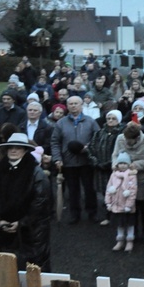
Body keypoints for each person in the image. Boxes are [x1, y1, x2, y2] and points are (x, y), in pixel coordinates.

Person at [0, 133, 51, 270]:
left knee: (33, 269)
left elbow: (40, 203)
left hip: (31, 231)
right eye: (10, 147)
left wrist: (22, 222)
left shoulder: (36, 173)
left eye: (18, 147)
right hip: (1, 230)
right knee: (2, 268)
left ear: (25, 150)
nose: (13, 150)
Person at [51, 96, 100, 224]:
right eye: (71, 104)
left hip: (86, 161)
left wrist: (87, 148)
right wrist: (57, 158)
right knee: (73, 190)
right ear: (67, 106)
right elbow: (55, 142)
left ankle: (92, 212)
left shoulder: (90, 122)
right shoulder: (60, 123)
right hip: (68, 162)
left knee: (89, 188)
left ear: (81, 105)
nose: (73, 106)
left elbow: (98, 139)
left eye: (76, 103)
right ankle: (75, 214)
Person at [112, 122, 144, 244]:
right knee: (128, 207)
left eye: (130, 140)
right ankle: (132, 231)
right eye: (126, 139)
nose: (127, 142)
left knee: (143, 206)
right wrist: (115, 166)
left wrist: (137, 165)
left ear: (137, 138)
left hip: (142, 179)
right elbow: (115, 155)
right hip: (125, 180)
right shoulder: (120, 138)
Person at [105, 151, 139, 252]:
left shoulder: (132, 175)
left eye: (125, 163)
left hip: (127, 206)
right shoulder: (114, 175)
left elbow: (133, 191)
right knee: (119, 224)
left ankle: (129, 240)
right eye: (121, 163)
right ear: (117, 164)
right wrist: (108, 202)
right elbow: (109, 188)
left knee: (129, 224)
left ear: (128, 164)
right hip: (117, 205)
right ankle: (120, 240)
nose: (123, 165)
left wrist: (129, 205)